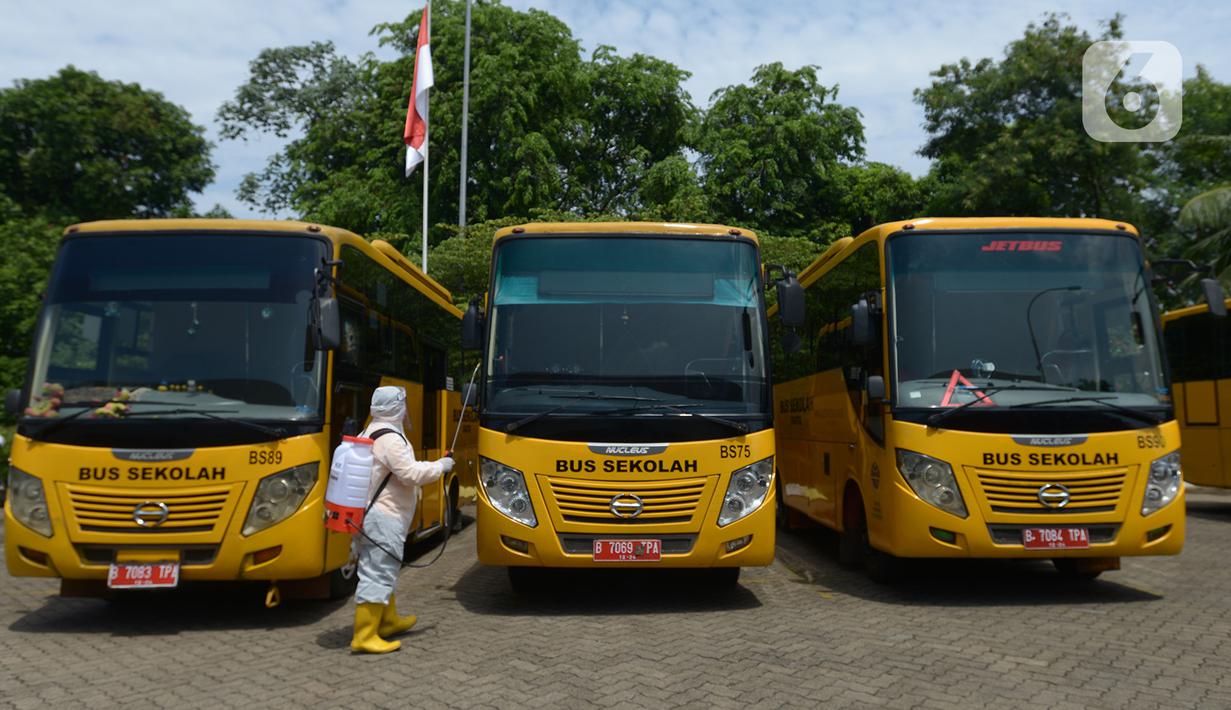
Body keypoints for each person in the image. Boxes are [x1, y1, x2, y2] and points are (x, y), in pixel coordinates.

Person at [350, 386, 454, 654]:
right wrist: (440, 467)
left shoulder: (370, 430)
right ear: (397, 407)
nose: (407, 409)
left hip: (372, 516)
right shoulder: (390, 439)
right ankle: (365, 635)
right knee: (377, 573)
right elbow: (408, 474)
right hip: (384, 517)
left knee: (384, 568)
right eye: (404, 404)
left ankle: (388, 620)